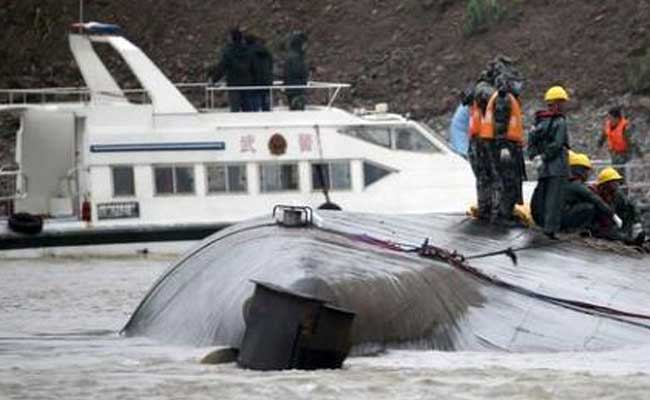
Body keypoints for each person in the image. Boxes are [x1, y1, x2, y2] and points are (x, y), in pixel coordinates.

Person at [480, 78, 525, 224]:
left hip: (502, 144)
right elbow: (500, 124)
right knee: (508, 180)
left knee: (505, 179)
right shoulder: (504, 99)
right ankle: (503, 215)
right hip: (504, 145)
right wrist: (504, 146)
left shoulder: (502, 97)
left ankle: (504, 212)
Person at [528, 86, 571, 239]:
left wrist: (535, 157)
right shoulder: (560, 122)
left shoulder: (539, 122)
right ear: (557, 103)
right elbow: (559, 144)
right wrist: (545, 156)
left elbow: (531, 141)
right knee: (555, 200)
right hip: (558, 167)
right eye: (563, 102)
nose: (565, 106)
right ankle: (550, 230)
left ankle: (543, 226)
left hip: (543, 168)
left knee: (544, 197)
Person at [561, 151, 619, 232]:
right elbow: (594, 199)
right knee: (589, 206)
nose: (587, 174)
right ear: (579, 170)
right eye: (586, 171)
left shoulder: (565, 182)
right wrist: (612, 215)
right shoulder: (576, 185)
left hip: (559, 217)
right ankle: (579, 229)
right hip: (563, 219)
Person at [466, 81, 498, 221]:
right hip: (482, 142)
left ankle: (485, 208)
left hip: (476, 142)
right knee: (490, 177)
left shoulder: (474, 100)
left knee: (482, 178)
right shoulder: (486, 96)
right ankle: (491, 209)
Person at [591, 167, 646, 245]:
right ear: (606, 183)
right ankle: (630, 241)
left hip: (613, 223)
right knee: (613, 233)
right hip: (600, 226)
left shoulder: (617, 194)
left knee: (629, 210)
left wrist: (637, 222)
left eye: (617, 181)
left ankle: (630, 235)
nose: (617, 184)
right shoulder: (595, 194)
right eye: (614, 181)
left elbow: (630, 205)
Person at [209, 28, 255, 112]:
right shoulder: (249, 51)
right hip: (247, 84)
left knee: (235, 111)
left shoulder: (228, 52)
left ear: (232, 38)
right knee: (248, 111)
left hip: (234, 85)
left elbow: (221, 68)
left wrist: (213, 80)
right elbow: (254, 68)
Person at [597, 107, 644, 174]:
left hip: (625, 152)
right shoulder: (608, 125)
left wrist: (640, 155)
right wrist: (599, 145)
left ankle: (621, 181)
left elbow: (633, 142)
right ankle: (618, 181)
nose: (609, 120)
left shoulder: (625, 127)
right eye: (608, 118)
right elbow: (603, 135)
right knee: (615, 167)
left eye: (611, 118)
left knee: (619, 167)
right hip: (614, 152)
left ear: (617, 118)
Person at [245, 33, 274, 111]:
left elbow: (248, 68)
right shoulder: (266, 52)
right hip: (266, 83)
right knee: (266, 109)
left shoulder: (248, 53)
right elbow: (271, 66)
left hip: (254, 85)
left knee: (255, 111)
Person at [284, 31, 309, 110]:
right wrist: (306, 72)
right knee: (297, 109)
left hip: (293, 88)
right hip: (296, 89)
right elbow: (297, 71)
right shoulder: (296, 57)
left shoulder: (293, 55)